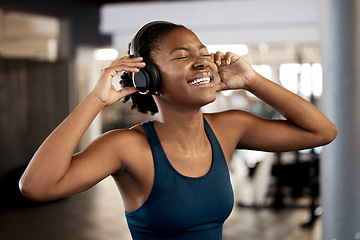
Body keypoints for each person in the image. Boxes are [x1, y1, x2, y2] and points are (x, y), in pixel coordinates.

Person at [19, 21, 338, 239]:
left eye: (203, 53)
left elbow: (321, 132)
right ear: (148, 78)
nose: (202, 62)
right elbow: (37, 187)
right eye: (183, 56)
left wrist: (252, 80)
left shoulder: (229, 129)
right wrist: (95, 100)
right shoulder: (127, 146)